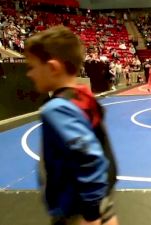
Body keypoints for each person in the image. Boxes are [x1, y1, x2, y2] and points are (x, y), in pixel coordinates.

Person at [24, 26, 119, 225]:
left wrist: (91, 212)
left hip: (76, 209)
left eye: (32, 67)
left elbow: (88, 155)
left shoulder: (57, 109)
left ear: (53, 68)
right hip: (99, 200)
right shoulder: (83, 97)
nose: (29, 74)